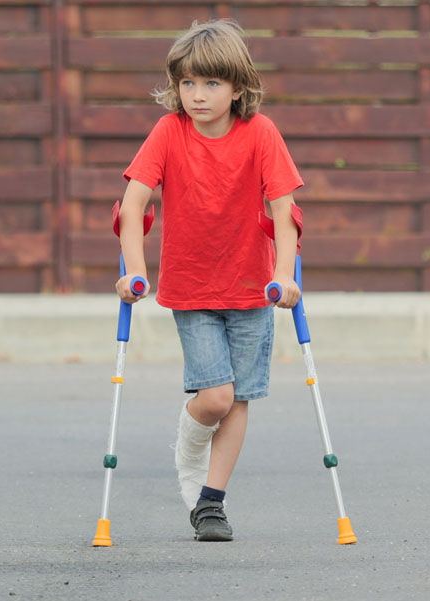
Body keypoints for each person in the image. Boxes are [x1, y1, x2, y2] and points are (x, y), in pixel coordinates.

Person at [114, 19, 304, 542]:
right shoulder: (169, 132)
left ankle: (211, 504)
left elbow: (284, 212)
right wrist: (134, 271)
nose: (197, 96)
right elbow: (133, 207)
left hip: (251, 288)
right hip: (192, 287)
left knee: (239, 398)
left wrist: (284, 277)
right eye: (188, 83)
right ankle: (190, 443)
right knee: (215, 398)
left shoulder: (260, 132)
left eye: (212, 84)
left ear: (237, 88)